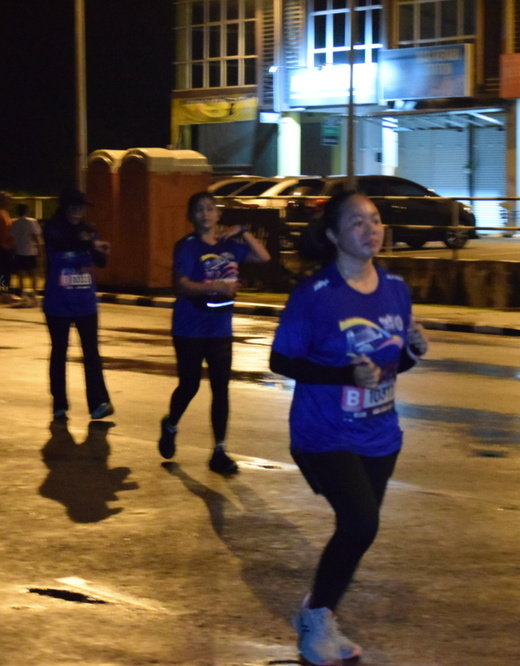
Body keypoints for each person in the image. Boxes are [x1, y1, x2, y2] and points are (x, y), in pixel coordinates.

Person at [270, 191, 429, 666]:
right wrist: (343, 374)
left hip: (380, 433)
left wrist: (413, 351)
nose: (370, 229)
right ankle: (317, 619)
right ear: (335, 235)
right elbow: (281, 360)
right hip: (323, 432)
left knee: (357, 531)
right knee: (361, 523)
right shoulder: (315, 295)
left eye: (375, 220)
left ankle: (319, 611)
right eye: (357, 222)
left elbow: (391, 365)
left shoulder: (396, 288)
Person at [157, 191, 270, 475]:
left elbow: (263, 256)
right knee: (190, 385)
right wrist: (216, 287)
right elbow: (181, 285)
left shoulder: (229, 246)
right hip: (189, 328)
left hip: (220, 328)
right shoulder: (187, 247)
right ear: (191, 217)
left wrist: (242, 230)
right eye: (199, 209)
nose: (205, 213)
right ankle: (171, 424)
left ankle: (219, 451)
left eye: (210, 208)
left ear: (218, 214)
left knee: (221, 388)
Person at [42, 187, 114, 421]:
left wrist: (102, 251)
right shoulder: (52, 230)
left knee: (91, 353)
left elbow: (99, 261)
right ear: (64, 208)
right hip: (58, 304)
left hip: (85, 304)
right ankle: (59, 403)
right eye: (73, 207)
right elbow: (64, 243)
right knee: (59, 352)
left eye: (80, 208)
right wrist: (91, 245)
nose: (77, 212)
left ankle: (98, 403)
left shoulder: (89, 231)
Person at [11, 202, 43, 307]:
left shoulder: (15, 222)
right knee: (34, 273)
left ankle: (23, 294)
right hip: (30, 251)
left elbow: (13, 236)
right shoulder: (31, 221)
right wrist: (40, 248)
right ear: (27, 211)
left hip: (19, 251)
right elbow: (35, 236)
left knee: (21, 273)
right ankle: (34, 294)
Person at [0, 190, 15, 303]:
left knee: (7, 271)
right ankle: (4, 292)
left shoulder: (5, 213)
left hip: (7, 246)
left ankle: (6, 292)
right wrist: (3, 244)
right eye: (6, 200)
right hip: (2, 246)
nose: (8, 202)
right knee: (4, 271)